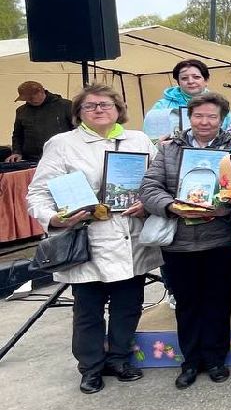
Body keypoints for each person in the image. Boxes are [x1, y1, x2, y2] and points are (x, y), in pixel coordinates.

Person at [26, 85, 160, 394]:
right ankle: (91, 366)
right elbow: (38, 193)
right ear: (78, 114)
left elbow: (156, 181)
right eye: (90, 106)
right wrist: (53, 218)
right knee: (88, 309)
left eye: (105, 104)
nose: (99, 110)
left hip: (130, 236)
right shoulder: (62, 144)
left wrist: (148, 202)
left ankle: (120, 358)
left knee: (129, 304)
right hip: (88, 238)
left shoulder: (138, 140)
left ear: (118, 109)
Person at [139, 92, 231, 388]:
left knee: (218, 301)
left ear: (222, 120)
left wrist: (224, 206)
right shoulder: (169, 149)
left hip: (219, 239)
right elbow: (149, 186)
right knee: (187, 302)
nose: (204, 122)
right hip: (179, 241)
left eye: (212, 116)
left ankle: (216, 358)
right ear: (189, 117)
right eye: (198, 116)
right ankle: (191, 360)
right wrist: (171, 205)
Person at [7, 81, 73, 163]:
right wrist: (16, 152)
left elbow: (78, 130)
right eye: (27, 99)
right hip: (31, 159)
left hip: (62, 157)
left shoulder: (65, 106)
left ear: (41, 92)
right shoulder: (21, 111)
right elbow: (17, 135)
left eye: (32, 97)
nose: (30, 100)